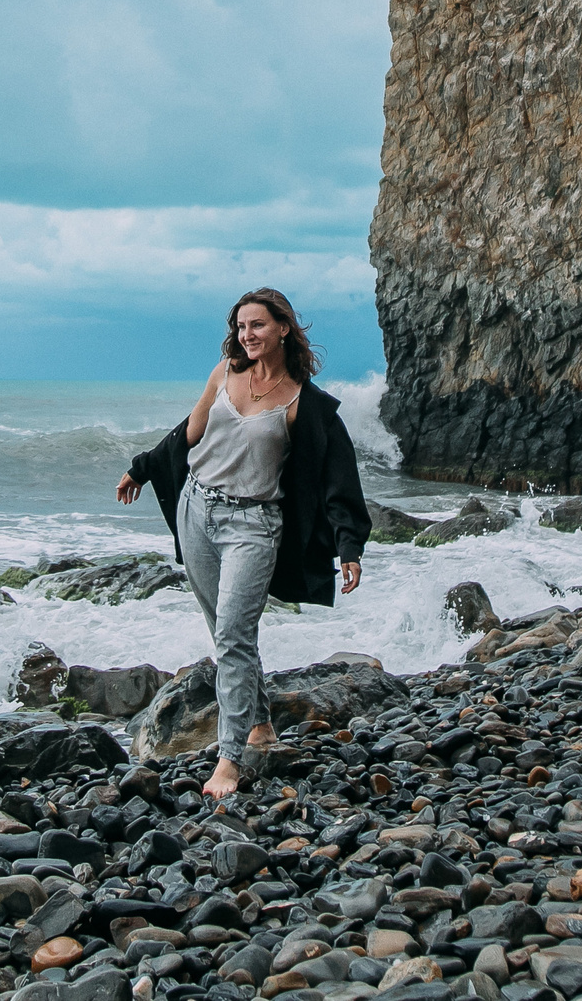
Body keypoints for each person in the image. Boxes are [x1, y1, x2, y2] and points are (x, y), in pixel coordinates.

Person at [117, 288, 371, 799]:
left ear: (283, 328)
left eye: (257, 325)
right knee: (226, 634)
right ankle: (260, 724)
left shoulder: (307, 403)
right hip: (197, 510)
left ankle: (229, 761)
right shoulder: (225, 373)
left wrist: (349, 546)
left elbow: (337, 476)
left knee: (234, 635)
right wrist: (141, 467)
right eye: (240, 326)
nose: (246, 335)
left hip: (253, 527)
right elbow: (188, 434)